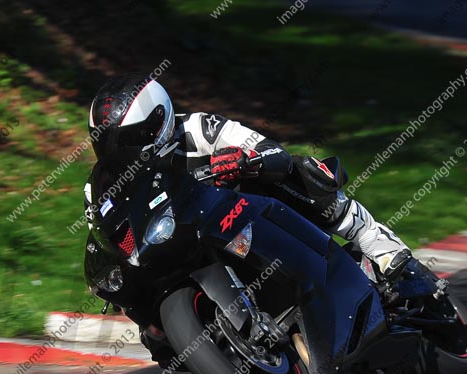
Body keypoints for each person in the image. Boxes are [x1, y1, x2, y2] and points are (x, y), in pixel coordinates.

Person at [85, 74, 411, 279]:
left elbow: (273, 153)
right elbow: (106, 239)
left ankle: (373, 239)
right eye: (107, 143)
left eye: (127, 140)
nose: (118, 153)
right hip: (187, 245)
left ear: (159, 122)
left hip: (250, 215)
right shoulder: (102, 188)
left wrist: (244, 162)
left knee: (299, 171)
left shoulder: (199, 128)